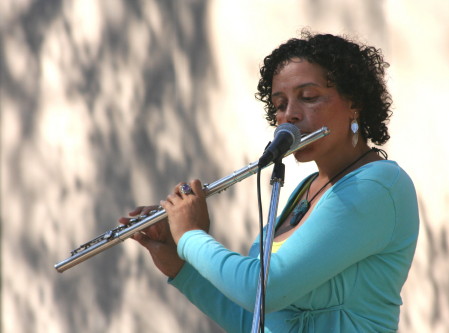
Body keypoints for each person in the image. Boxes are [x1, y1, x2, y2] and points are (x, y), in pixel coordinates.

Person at [119, 31, 419, 332]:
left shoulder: (377, 187)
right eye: (279, 104)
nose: (290, 115)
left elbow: (262, 289)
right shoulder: (308, 190)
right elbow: (254, 319)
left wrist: (190, 237)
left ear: (354, 102)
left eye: (309, 97)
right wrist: (177, 261)